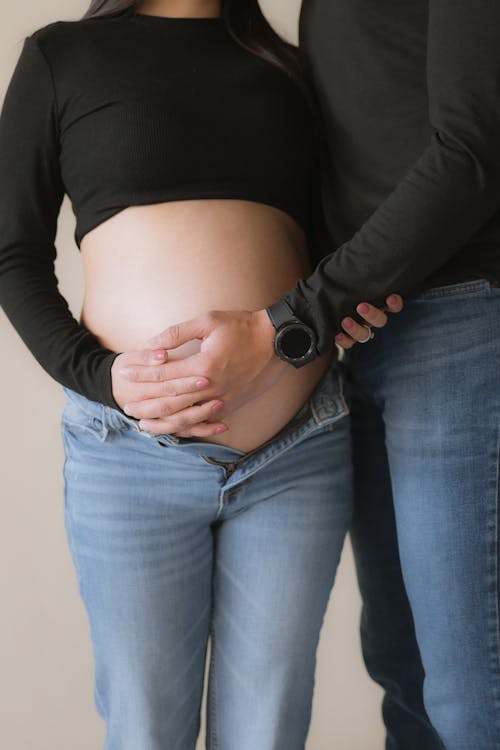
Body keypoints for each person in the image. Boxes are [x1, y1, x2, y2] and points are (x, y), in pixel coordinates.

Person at [0, 1, 403, 748]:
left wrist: (349, 310)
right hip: (128, 453)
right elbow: (10, 251)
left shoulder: (287, 70)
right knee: (147, 729)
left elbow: (334, 245)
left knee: (268, 731)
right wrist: (99, 376)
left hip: (298, 453)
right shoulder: (63, 58)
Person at [135, 1, 500, 748]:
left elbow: (473, 149)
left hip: (460, 316)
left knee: (472, 691)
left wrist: (297, 316)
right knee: (406, 676)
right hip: (368, 336)